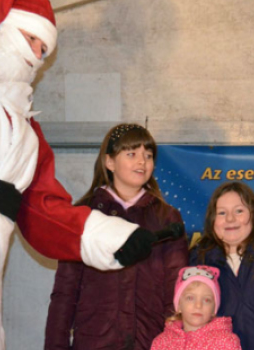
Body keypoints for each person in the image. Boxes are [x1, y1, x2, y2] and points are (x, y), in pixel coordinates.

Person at [0, 1, 184, 349]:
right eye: (30, 40)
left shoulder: (28, 136)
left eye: (44, 50)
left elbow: (43, 212)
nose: (36, 56)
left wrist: (111, 238)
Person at [44, 123, 188, 350]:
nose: (142, 161)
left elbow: (176, 290)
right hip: (95, 341)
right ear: (109, 161)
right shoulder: (83, 216)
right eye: (131, 154)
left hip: (151, 342)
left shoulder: (167, 218)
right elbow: (65, 292)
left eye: (148, 155)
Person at [190, 182, 254, 350]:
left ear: (253, 215)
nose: (230, 219)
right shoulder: (197, 262)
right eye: (222, 213)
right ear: (213, 220)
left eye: (239, 211)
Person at [151, 265, 242, 350]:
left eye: (207, 300)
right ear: (179, 305)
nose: (198, 305)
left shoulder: (227, 342)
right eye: (190, 298)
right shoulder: (162, 343)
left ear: (214, 309)